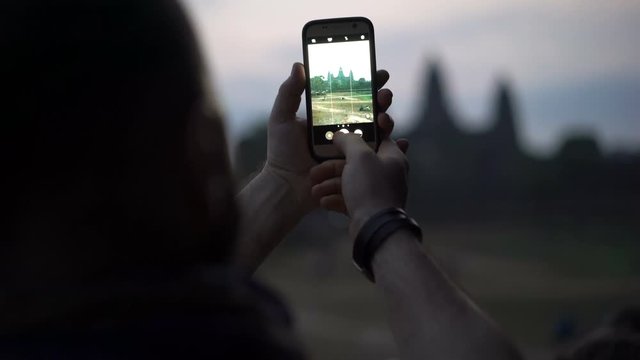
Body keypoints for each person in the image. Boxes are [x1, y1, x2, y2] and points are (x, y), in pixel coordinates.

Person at [3, 1, 522, 359]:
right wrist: (379, 221)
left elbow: (135, 309)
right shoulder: (235, 348)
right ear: (205, 146)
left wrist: (284, 179)